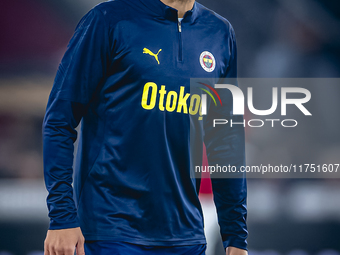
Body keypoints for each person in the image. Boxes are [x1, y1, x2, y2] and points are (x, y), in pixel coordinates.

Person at [42, 0, 248, 254]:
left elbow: (226, 143)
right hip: (111, 231)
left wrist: (236, 237)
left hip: (186, 237)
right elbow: (59, 121)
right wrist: (62, 216)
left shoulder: (219, 32)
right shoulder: (108, 20)